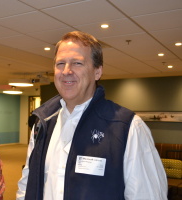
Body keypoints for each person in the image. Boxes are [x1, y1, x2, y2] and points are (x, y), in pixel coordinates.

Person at [16, 31, 167, 200]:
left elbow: (148, 195)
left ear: (97, 72)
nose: (66, 71)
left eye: (77, 63)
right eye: (60, 64)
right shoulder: (42, 123)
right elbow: (27, 184)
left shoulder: (127, 127)